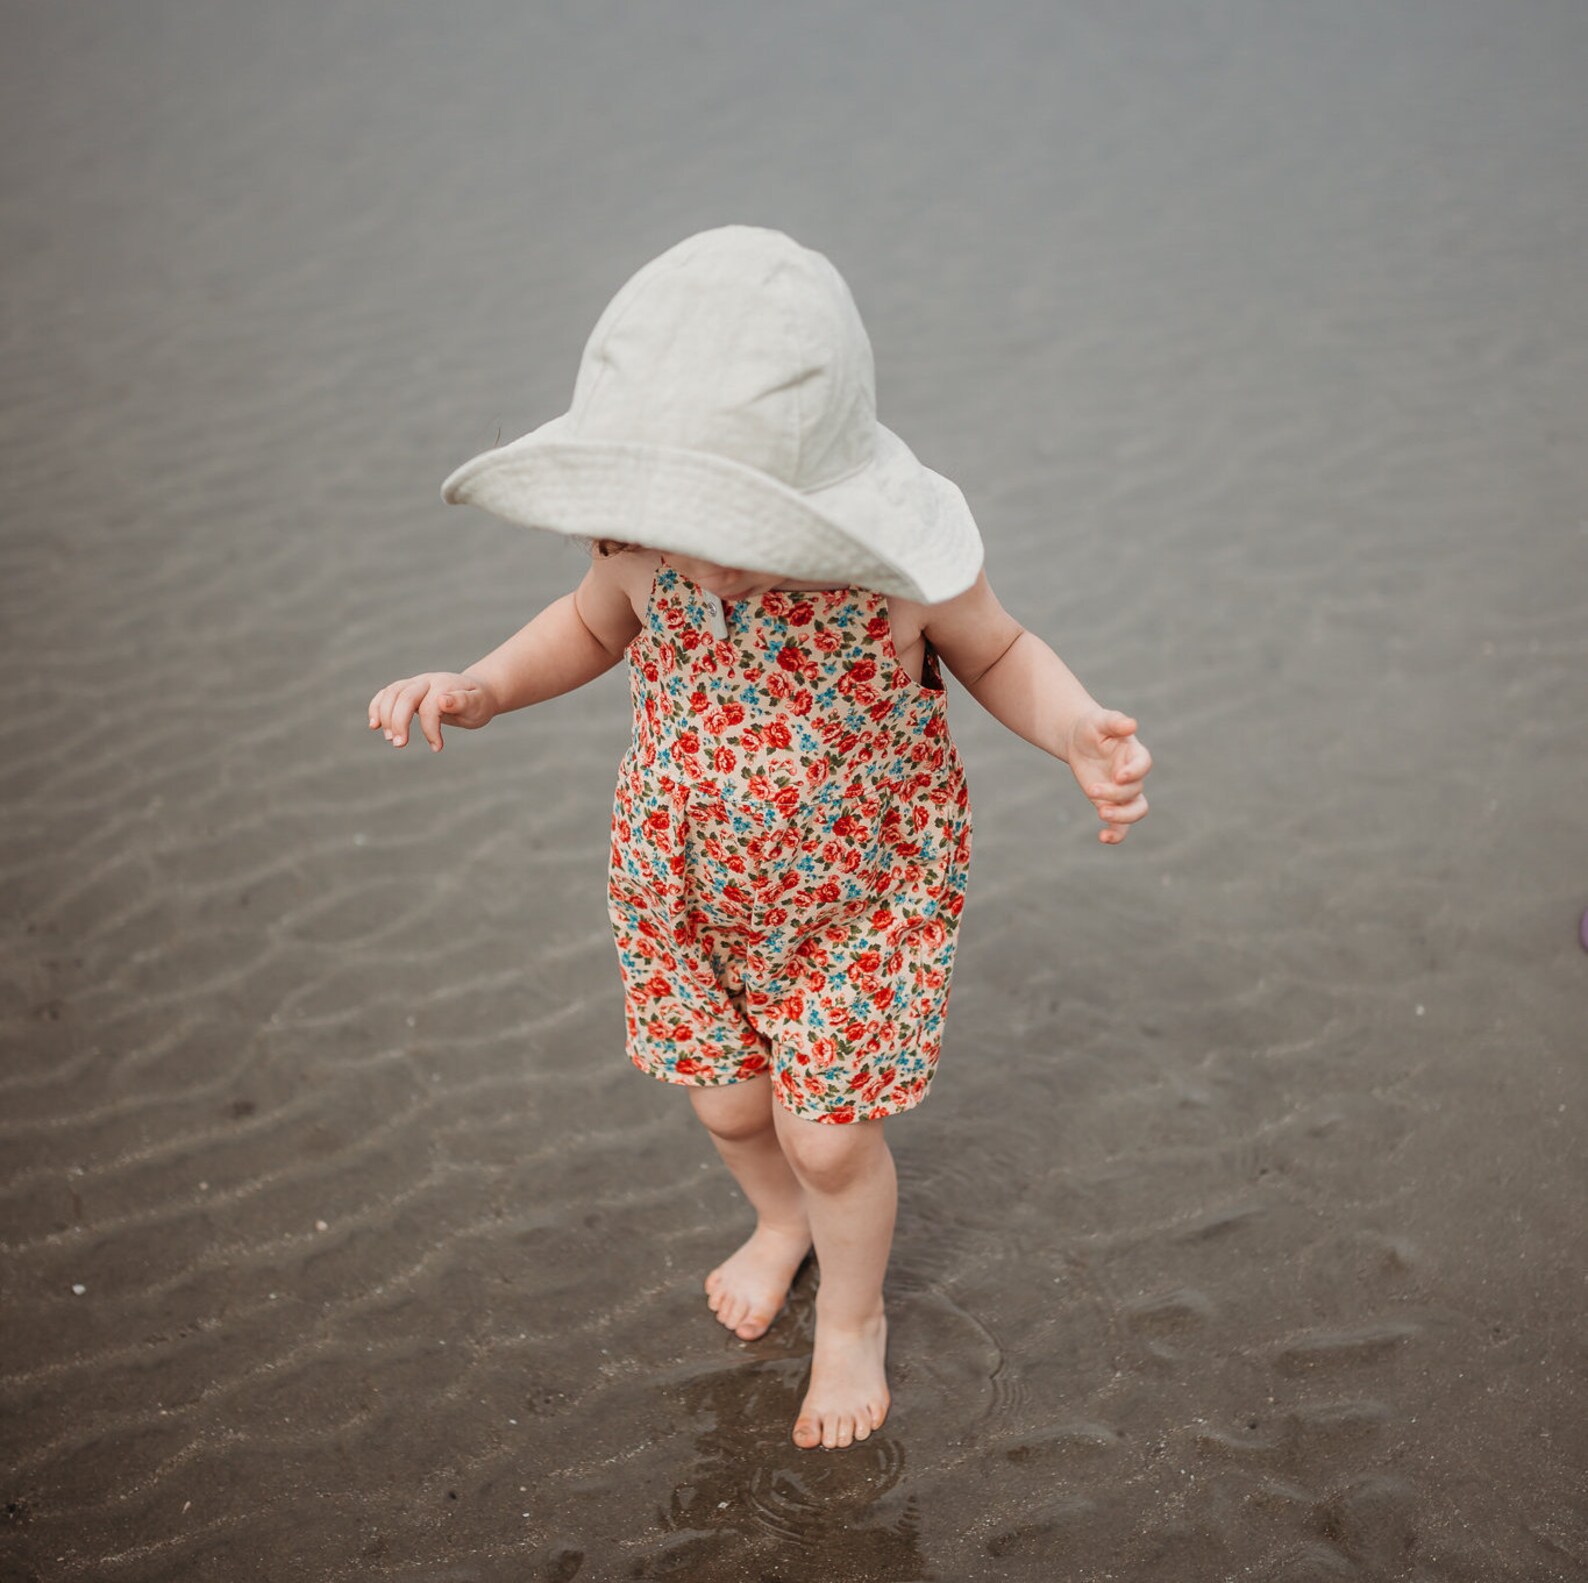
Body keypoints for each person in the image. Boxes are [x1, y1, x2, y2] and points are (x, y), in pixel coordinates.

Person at [366, 226, 1151, 1452]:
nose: (713, 548)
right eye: (691, 511)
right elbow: (577, 633)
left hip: (862, 894)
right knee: (731, 1108)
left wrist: (1078, 736)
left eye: (749, 517)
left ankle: (851, 1317)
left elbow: (999, 654)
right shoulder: (639, 560)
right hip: (680, 884)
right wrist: (478, 685)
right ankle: (776, 1220)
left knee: (829, 1133)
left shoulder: (897, 577)